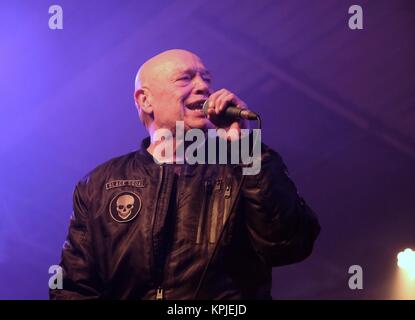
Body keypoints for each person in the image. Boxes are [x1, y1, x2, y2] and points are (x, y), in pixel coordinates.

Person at [50, 49, 320, 300]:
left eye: (206, 78)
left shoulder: (242, 164)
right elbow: (73, 287)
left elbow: (289, 243)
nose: (203, 87)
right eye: (185, 79)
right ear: (145, 100)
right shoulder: (100, 184)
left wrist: (244, 148)